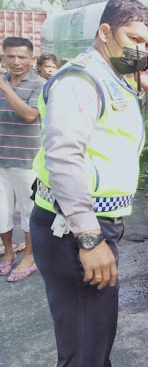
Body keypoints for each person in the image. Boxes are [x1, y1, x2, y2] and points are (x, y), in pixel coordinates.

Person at [30, 0, 148, 366]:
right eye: (134, 39)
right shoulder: (80, 80)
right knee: (84, 347)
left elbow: (137, 142)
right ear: (105, 32)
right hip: (72, 228)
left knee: (95, 337)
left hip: (91, 224)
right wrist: (90, 239)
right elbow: (63, 157)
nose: (142, 51)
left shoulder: (115, 79)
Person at [0, 37, 44, 282]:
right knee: (1, 212)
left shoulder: (40, 85)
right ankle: (8, 253)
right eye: (11, 56)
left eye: (22, 57)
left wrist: (6, 89)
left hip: (28, 160)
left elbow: (29, 115)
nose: (16, 62)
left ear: (31, 59)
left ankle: (30, 255)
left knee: (29, 212)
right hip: (0, 159)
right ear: (3, 57)